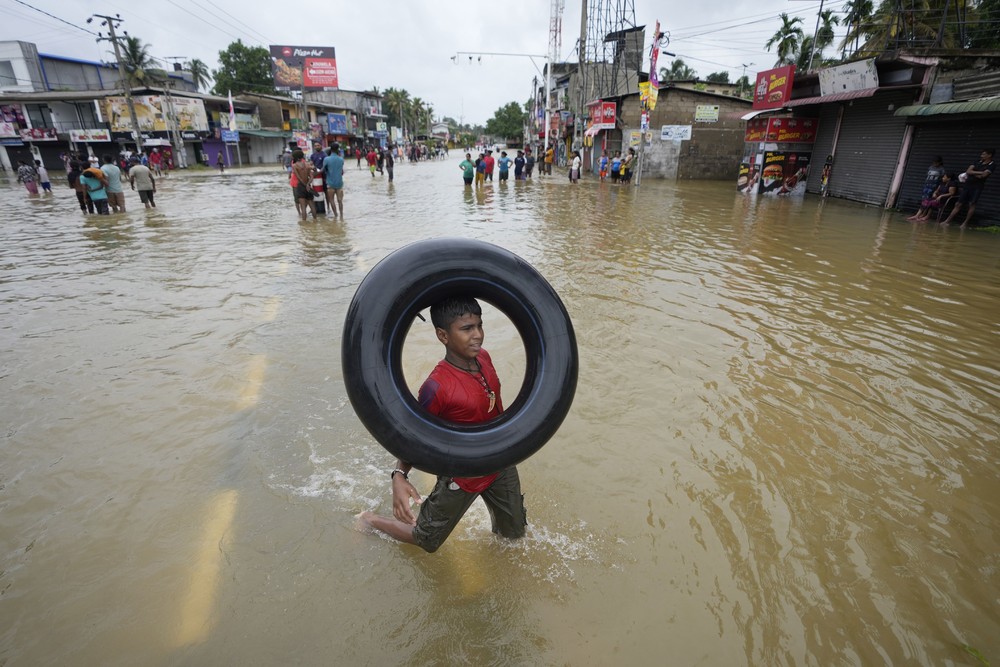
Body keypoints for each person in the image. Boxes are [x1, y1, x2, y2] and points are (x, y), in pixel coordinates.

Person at [358, 296, 527, 553]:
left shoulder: (485, 358)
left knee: (513, 536)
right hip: (461, 474)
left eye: (480, 325)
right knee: (427, 540)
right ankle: (369, 520)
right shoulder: (436, 387)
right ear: (443, 335)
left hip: (498, 464)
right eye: (467, 329)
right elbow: (412, 434)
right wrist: (399, 474)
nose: (478, 335)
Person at [942, 149, 995, 227]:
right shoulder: (977, 161)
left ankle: (965, 223)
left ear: (989, 155)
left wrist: (974, 173)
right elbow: (968, 171)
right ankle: (947, 221)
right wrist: (980, 172)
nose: (981, 155)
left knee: (972, 204)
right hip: (967, 185)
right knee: (958, 203)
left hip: (977, 187)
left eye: (984, 154)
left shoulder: (992, 164)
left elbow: (984, 176)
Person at [290, 149, 316, 220]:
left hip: (301, 187)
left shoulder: (294, 165)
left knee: (303, 206)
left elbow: (299, 178)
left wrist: (304, 185)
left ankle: (304, 224)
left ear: (295, 157)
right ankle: (315, 220)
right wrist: (308, 184)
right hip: (308, 186)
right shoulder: (307, 164)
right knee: (312, 205)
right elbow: (311, 177)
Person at [322, 141, 345, 218]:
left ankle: (336, 215)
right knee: (340, 201)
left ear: (330, 149)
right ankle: (341, 215)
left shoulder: (326, 159)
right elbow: (341, 171)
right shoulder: (341, 159)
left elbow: (323, 170)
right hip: (339, 183)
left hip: (330, 184)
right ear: (338, 149)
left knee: (331, 200)